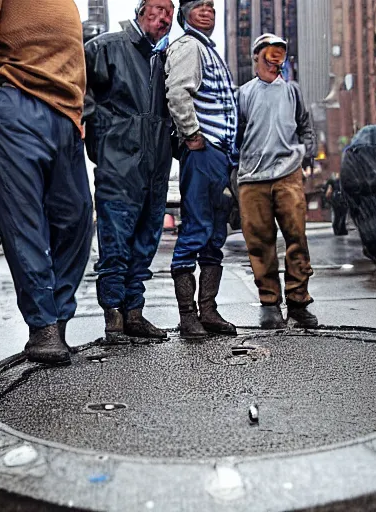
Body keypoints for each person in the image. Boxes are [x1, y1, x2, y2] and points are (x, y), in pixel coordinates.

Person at [0, 0, 93, 365]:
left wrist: (76, 114)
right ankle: (43, 327)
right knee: (25, 223)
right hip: (14, 102)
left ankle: (58, 319)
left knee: (76, 220)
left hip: (65, 114)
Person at [84, 0, 174, 344]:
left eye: (169, 12)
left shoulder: (162, 61)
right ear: (140, 10)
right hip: (118, 166)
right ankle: (114, 318)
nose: (163, 16)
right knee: (115, 245)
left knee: (146, 241)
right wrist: (103, 138)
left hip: (154, 169)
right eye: (157, 8)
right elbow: (82, 93)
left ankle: (134, 312)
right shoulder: (107, 47)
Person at [165, 0, 237, 338]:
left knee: (214, 234)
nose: (208, 10)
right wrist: (192, 135)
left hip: (220, 155)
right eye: (199, 6)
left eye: (211, 5)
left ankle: (208, 310)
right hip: (203, 152)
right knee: (195, 228)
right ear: (185, 15)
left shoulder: (210, 50)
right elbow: (178, 92)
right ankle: (188, 315)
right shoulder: (189, 45)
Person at [236, 34, 318, 330]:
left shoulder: (292, 91)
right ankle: (269, 302)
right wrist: (236, 169)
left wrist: (305, 153)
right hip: (252, 178)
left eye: (281, 55)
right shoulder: (243, 94)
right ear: (256, 57)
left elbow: (305, 125)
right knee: (259, 242)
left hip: (288, 175)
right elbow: (236, 133)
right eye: (270, 55)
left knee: (296, 236)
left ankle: (298, 301)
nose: (276, 62)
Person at [340, 125, 376, 272]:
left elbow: (347, 179)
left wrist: (352, 200)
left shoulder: (352, 154)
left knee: (369, 229)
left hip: (362, 201)